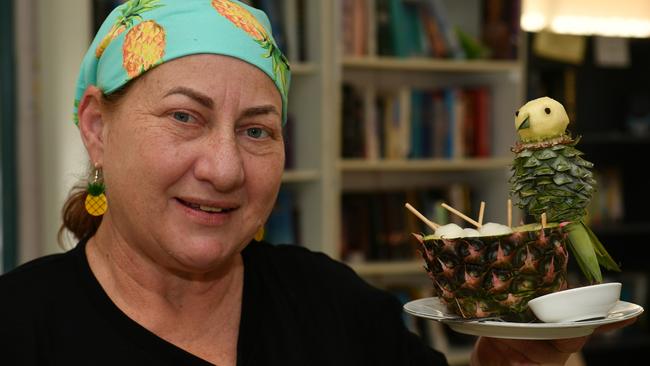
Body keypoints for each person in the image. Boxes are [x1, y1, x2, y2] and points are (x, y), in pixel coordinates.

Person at [0, 1, 637, 365]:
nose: (223, 170)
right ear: (96, 128)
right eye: (184, 117)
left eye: (256, 130)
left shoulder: (332, 304)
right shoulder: (21, 329)